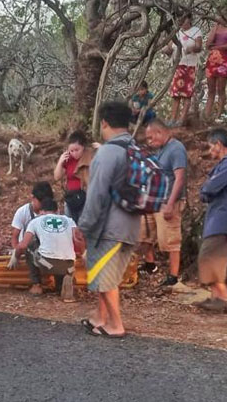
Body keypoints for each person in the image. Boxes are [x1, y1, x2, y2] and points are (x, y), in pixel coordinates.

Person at [78, 101, 140, 339]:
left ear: (104, 122)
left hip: (109, 228)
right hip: (131, 226)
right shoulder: (135, 149)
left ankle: (116, 324)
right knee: (105, 273)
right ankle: (99, 316)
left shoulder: (107, 152)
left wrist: (84, 226)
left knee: (104, 277)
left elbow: (96, 195)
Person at [196, 128, 227, 312]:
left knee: (208, 255)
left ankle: (224, 295)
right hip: (218, 216)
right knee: (215, 257)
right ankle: (216, 298)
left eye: (210, 147)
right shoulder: (225, 164)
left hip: (223, 217)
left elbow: (210, 188)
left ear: (218, 144)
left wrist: (205, 189)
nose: (210, 151)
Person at [137, 120, 188, 289]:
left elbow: (179, 178)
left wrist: (170, 203)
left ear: (160, 132)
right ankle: (150, 264)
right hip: (153, 201)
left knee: (171, 240)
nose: (149, 141)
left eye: (151, 138)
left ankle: (173, 276)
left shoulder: (176, 149)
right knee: (145, 234)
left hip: (168, 201)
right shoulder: (160, 150)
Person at [15, 197, 85, 303]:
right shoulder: (69, 220)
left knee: (31, 246)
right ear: (57, 210)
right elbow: (78, 240)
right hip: (68, 265)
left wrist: (16, 256)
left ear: (41, 211)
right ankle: (62, 285)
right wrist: (83, 253)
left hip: (47, 264)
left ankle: (36, 285)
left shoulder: (35, 221)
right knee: (59, 250)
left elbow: (23, 245)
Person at [8, 181, 55, 295]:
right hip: (28, 250)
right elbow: (15, 237)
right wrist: (16, 253)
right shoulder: (23, 212)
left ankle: (58, 280)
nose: (43, 205)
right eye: (41, 202)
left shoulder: (52, 212)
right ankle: (36, 283)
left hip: (47, 250)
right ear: (33, 198)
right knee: (31, 244)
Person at [163, 14, 203, 126]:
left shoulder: (196, 31)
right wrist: (166, 50)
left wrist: (191, 48)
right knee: (176, 93)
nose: (181, 22)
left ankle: (182, 119)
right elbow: (170, 47)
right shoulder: (177, 32)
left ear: (189, 19)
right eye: (179, 19)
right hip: (178, 65)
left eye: (183, 19)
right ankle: (172, 119)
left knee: (187, 93)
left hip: (190, 66)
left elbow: (199, 47)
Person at [53, 131, 93, 223]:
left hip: (85, 197)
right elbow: (57, 177)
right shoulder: (68, 159)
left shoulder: (89, 157)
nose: (74, 153)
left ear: (83, 147)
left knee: (83, 225)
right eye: (71, 151)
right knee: (69, 224)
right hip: (70, 197)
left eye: (77, 150)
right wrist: (60, 162)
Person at [204, 14, 227, 120]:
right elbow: (208, 45)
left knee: (221, 89)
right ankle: (206, 116)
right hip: (212, 60)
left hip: (224, 61)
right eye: (221, 15)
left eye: (225, 15)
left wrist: (216, 46)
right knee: (211, 90)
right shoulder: (215, 28)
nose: (222, 17)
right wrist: (216, 27)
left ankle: (218, 116)